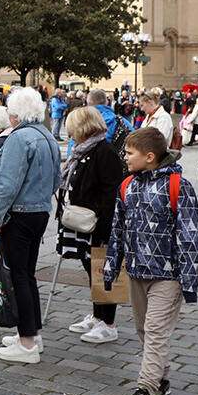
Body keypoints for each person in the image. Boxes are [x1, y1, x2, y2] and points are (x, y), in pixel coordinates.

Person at [103, 126, 198, 395]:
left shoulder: (177, 186)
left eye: (129, 152)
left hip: (167, 276)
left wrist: (189, 280)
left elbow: (190, 235)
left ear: (149, 156)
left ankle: (145, 391)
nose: (124, 156)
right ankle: (160, 380)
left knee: (156, 331)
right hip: (136, 273)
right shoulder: (127, 185)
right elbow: (117, 230)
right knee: (144, 331)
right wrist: (111, 270)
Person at [0, 87, 62, 363]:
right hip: (39, 212)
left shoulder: (19, 139)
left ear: (15, 113)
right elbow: (57, 179)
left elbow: (7, 184)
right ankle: (32, 333)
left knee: (19, 276)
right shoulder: (47, 136)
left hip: (19, 214)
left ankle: (28, 343)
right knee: (27, 274)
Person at [57, 106, 125, 345]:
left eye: (73, 128)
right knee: (92, 269)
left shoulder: (104, 151)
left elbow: (111, 194)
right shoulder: (83, 150)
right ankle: (98, 315)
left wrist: (107, 231)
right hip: (83, 221)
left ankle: (109, 323)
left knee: (104, 271)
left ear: (84, 127)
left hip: (99, 223)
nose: (70, 133)